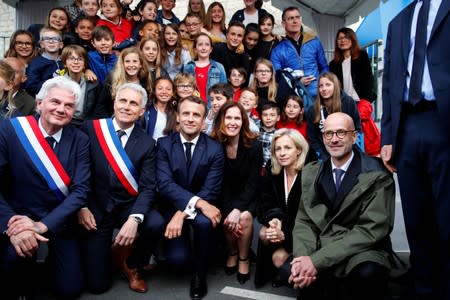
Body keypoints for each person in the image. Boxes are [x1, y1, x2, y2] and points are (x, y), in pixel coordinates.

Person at [381, 1, 450, 299]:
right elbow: (388, 84)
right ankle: (424, 289)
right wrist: (387, 136)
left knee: (447, 217)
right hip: (407, 126)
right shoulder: (398, 22)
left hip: (443, 121)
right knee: (416, 218)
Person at [0, 76, 90, 299]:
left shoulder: (80, 139)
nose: (61, 109)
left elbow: (80, 191)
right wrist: (13, 225)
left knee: (69, 289)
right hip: (17, 218)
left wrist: (42, 225)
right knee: (15, 272)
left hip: (58, 220)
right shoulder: (11, 130)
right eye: (55, 102)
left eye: (69, 106)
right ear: (39, 103)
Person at [289, 112, 395, 300]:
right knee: (301, 275)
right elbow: (304, 222)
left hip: (363, 250)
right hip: (323, 246)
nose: (334, 139)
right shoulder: (311, 172)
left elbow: (370, 230)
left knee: (367, 274)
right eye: (328, 134)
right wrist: (303, 259)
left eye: (341, 133)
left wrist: (316, 261)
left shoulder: (377, 174)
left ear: (354, 136)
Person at [79, 83, 164, 294]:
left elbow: (148, 187)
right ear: (115, 103)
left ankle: (133, 264)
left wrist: (135, 219)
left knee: (154, 222)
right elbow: (78, 173)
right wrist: (82, 206)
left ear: (142, 111)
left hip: (127, 204)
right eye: (122, 101)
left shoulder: (147, 143)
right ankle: (112, 254)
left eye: (133, 103)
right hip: (96, 208)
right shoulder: (91, 129)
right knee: (97, 286)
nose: (126, 107)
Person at [156, 96, 224, 300]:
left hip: (200, 208)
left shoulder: (214, 148)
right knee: (177, 261)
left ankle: (199, 275)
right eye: (186, 113)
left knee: (204, 223)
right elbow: (165, 184)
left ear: (204, 121)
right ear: (177, 116)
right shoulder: (164, 144)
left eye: (197, 115)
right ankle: (165, 250)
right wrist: (193, 205)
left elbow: (210, 189)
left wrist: (183, 212)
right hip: (172, 204)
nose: (191, 119)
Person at [211, 101, 262, 285]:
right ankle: (231, 252)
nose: (233, 122)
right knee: (226, 216)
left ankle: (243, 258)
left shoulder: (253, 145)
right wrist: (229, 209)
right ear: (221, 120)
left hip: (251, 194)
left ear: (243, 121)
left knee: (245, 218)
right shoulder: (215, 143)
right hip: (224, 195)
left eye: (237, 118)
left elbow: (254, 182)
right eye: (228, 118)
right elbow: (219, 182)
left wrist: (238, 208)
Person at [256, 128, 308, 286]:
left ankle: (287, 262)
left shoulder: (309, 173)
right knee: (264, 233)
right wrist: (274, 220)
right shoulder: (273, 170)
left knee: (280, 261)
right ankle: (273, 269)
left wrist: (284, 234)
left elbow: (308, 217)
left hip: (303, 235)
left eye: (287, 148)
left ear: (298, 150)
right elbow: (264, 202)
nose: (282, 153)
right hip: (282, 227)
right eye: (277, 149)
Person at [329, 27, 380, 156]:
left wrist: (367, 101)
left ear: (352, 39)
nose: (342, 41)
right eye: (339, 38)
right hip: (345, 103)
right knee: (347, 133)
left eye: (346, 37)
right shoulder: (334, 64)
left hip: (362, 101)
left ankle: (369, 157)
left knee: (365, 133)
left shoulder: (362, 56)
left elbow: (369, 79)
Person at [270, 6, 328, 98]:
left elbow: (324, 67)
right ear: (283, 23)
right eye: (290, 18)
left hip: (317, 95)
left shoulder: (314, 41)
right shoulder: (277, 49)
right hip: (294, 98)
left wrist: (322, 85)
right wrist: (297, 83)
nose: (295, 21)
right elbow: (277, 77)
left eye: (297, 17)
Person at [305, 72, 360, 161]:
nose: (324, 89)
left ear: (335, 86)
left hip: (349, 152)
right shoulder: (313, 110)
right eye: (320, 86)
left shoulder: (348, 102)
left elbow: (357, 128)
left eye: (328, 85)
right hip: (324, 156)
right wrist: (324, 157)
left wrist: (349, 152)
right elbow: (313, 138)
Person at [183, 33, 227, 108]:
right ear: (195, 49)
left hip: (212, 109)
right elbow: (184, 89)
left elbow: (225, 92)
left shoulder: (219, 67)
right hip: (193, 108)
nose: (203, 48)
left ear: (211, 49)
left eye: (207, 45)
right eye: (200, 44)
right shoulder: (188, 67)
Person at [60, 45, 99, 126]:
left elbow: (96, 109)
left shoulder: (92, 83)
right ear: (65, 63)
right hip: (65, 122)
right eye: (71, 59)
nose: (76, 62)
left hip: (86, 123)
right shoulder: (58, 83)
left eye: (80, 59)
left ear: (84, 64)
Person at [24, 27, 64, 97]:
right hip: (43, 100)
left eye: (55, 39)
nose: (51, 41)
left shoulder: (65, 62)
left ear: (61, 45)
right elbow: (30, 87)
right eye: (47, 39)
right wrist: (51, 81)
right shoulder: (35, 64)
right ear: (42, 44)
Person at [142, 76, 176, 141]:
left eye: (168, 89)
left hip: (165, 150)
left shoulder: (175, 113)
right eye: (160, 88)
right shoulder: (146, 111)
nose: (164, 92)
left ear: (173, 92)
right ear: (154, 91)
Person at [258, 102, 280, 170]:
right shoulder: (256, 131)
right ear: (261, 116)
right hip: (256, 166)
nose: (268, 118)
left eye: (272, 115)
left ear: (278, 118)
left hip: (271, 168)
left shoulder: (278, 135)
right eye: (265, 115)